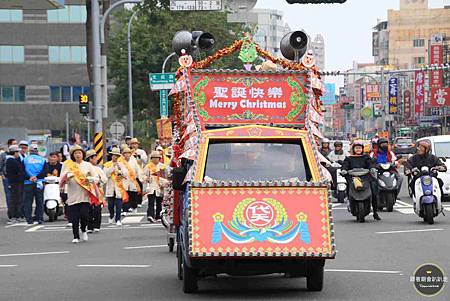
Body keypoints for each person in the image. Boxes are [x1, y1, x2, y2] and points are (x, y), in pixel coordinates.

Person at [60, 145, 98, 243]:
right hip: (72, 194)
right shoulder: (68, 164)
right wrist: (68, 176)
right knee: (74, 217)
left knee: (84, 215)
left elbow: (96, 178)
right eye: (76, 153)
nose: (78, 155)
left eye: (79, 153)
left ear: (83, 154)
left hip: (84, 194)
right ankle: (75, 236)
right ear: (73, 155)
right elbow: (62, 178)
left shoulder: (87, 165)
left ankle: (84, 229)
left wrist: (90, 179)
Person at [342, 141, 380, 221]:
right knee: (348, 186)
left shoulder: (366, 157)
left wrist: (372, 168)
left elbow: (370, 164)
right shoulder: (349, 158)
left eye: (359, 148)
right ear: (353, 149)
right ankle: (349, 200)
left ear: (362, 149)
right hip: (353, 178)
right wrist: (344, 170)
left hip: (365, 177)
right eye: (356, 148)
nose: (358, 149)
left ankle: (375, 212)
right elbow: (345, 165)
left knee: (374, 190)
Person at [22, 144, 47, 225]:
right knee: (39, 201)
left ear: (30, 151)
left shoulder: (25, 160)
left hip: (28, 182)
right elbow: (45, 171)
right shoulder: (42, 160)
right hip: (39, 182)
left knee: (28, 202)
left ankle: (29, 219)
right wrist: (36, 177)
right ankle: (40, 218)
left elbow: (21, 171)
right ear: (37, 151)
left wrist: (29, 177)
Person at [104, 147, 127, 226]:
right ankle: (111, 215)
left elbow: (126, 174)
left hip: (119, 188)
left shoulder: (121, 165)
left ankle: (118, 219)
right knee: (110, 205)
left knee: (119, 205)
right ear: (111, 156)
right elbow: (106, 175)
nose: (115, 157)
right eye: (114, 155)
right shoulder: (107, 165)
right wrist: (113, 167)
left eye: (117, 155)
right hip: (110, 187)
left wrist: (120, 170)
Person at [85, 150, 107, 233]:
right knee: (89, 209)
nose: (96, 159)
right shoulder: (84, 169)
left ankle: (97, 225)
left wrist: (99, 181)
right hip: (88, 191)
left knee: (97, 209)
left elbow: (104, 179)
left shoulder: (98, 169)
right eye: (94, 158)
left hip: (97, 191)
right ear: (90, 159)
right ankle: (89, 226)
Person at [144, 151, 167, 223]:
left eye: (157, 158)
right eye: (154, 158)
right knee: (151, 202)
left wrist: (163, 182)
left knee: (159, 202)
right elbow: (143, 175)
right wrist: (146, 178)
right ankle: (150, 215)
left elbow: (166, 176)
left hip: (160, 187)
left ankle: (158, 216)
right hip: (151, 186)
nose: (156, 159)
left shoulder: (163, 166)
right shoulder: (148, 166)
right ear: (151, 159)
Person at [119, 147, 142, 214]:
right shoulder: (121, 162)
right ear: (123, 154)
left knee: (134, 194)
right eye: (125, 153)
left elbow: (138, 170)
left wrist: (140, 178)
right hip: (125, 180)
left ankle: (134, 207)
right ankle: (125, 209)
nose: (127, 155)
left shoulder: (134, 161)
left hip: (132, 180)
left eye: (128, 153)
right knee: (125, 194)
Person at [5, 145, 24, 224]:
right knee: (15, 200)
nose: (18, 154)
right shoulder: (11, 160)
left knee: (16, 199)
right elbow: (19, 170)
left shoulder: (10, 160)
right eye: (17, 152)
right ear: (14, 152)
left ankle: (16, 216)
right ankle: (14, 216)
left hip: (14, 182)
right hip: (15, 182)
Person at [0, 138, 17, 220]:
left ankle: (16, 213)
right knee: (9, 196)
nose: (15, 145)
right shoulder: (3, 155)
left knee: (16, 195)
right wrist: (2, 174)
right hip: (6, 177)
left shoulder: (17, 154)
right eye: (14, 143)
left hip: (15, 178)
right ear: (9, 145)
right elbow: (1, 165)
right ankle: (11, 213)